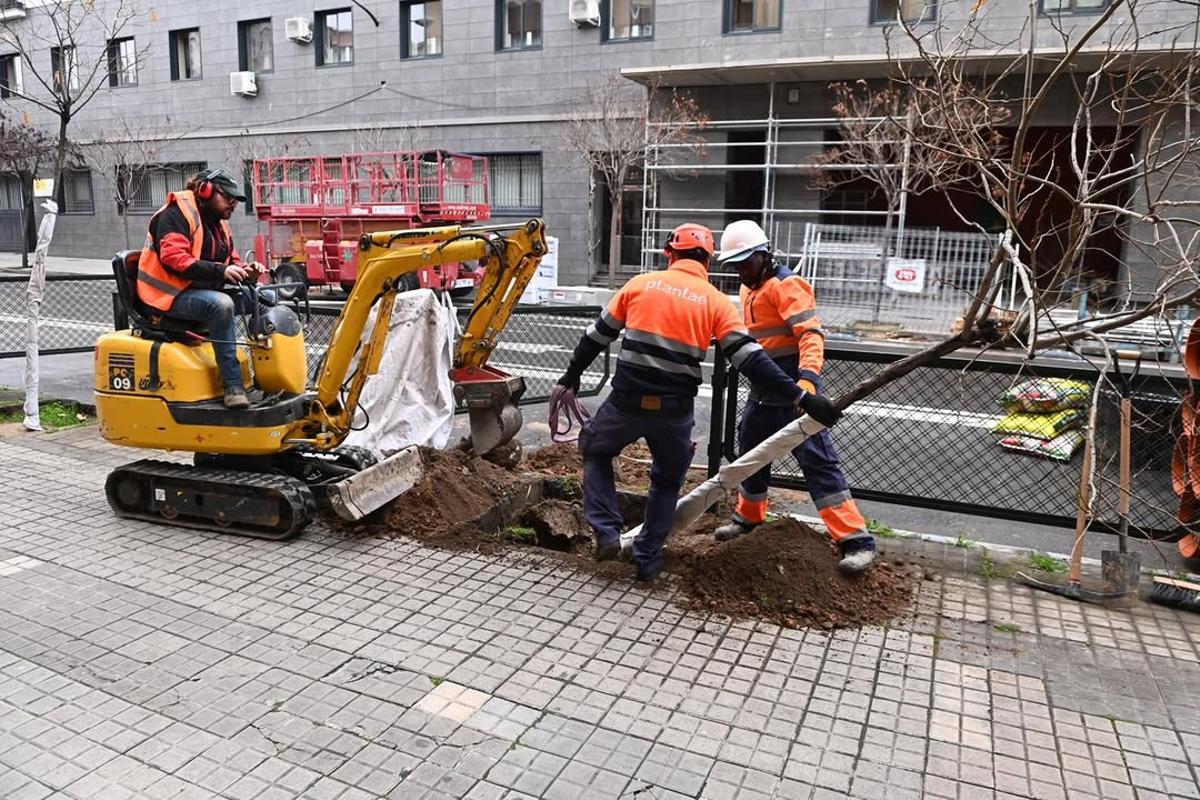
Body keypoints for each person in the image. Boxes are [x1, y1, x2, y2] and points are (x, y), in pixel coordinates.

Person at [556, 223, 841, 582]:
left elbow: (595, 337)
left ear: (668, 254)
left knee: (596, 451)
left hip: (626, 403)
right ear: (707, 260)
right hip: (674, 411)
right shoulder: (717, 302)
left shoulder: (639, 284)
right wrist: (802, 395)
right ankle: (647, 559)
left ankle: (608, 533)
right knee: (666, 480)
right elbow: (752, 361)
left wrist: (571, 377)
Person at [712, 220, 876, 574]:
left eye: (746, 262)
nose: (740, 270)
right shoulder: (748, 289)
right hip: (762, 387)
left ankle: (856, 541)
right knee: (751, 457)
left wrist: (808, 387)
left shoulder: (788, 286)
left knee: (818, 463)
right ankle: (749, 517)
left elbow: (811, 336)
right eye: (735, 265)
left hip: (792, 389)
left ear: (764, 255)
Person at [136, 168, 261, 408]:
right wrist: (221, 272)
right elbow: (175, 258)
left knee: (263, 298)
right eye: (228, 197)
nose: (233, 204)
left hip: (199, 291)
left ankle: (266, 376)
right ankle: (233, 386)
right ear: (205, 190)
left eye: (236, 200)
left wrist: (246, 271)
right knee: (221, 305)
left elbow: (230, 261)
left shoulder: (220, 224)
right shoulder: (176, 213)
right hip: (167, 297)